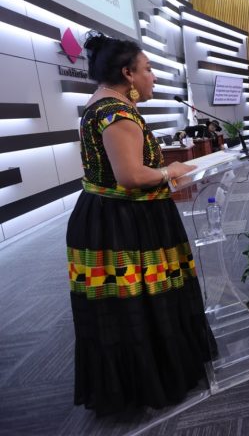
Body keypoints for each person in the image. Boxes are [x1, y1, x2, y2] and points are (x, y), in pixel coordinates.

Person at [67, 32, 215, 415]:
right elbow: (131, 175)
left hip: (105, 218)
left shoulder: (98, 104)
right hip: (126, 224)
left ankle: (134, 383)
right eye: (148, 69)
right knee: (142, 302)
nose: (152, 77)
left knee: (123, 308)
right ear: (128, 73)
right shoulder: (117, 113)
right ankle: (153, 381)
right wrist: (171, 170)